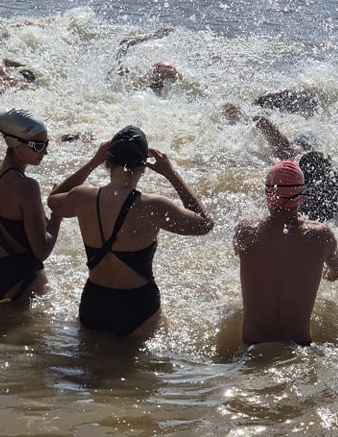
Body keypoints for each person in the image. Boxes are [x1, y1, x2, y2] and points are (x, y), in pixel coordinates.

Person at [47, 125, 214, 338]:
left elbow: (55, 199)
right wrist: (171, 174)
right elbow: (204, 225)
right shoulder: (153, 206)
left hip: (94, 302)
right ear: (143, 167)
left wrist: (92, 162)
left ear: (107, 162)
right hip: (138, 307)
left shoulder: (83, 196)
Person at [233, 160, 338, 346]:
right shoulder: (321, 235)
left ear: (267, 194)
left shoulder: (245, 231)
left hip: (252, 348)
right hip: (299, 348)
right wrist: (316, 273)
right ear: (301, 195)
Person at [0, 109, 62, 303]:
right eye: (38, 146)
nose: (45, 151)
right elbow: (42, 251)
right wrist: (57, 213)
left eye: (46, 145)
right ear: (15, 144)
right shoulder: (27, 186)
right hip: (21, 279)